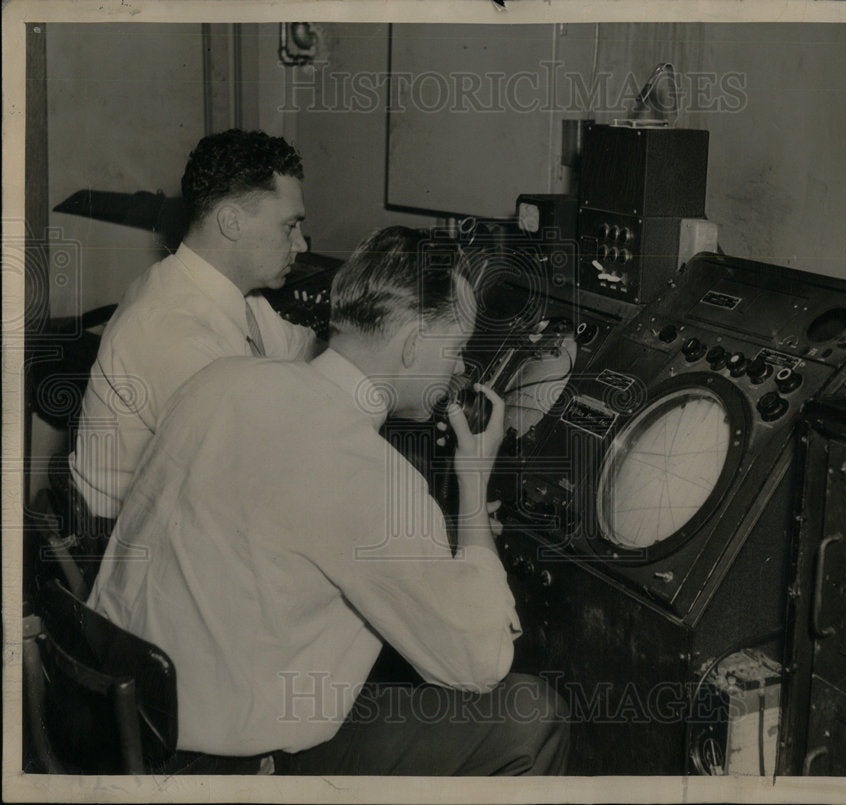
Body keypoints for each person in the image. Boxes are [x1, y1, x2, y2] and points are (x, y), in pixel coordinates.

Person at [87, 226, 570, 775]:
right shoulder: (372, 476)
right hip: (214, 766)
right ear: (413, 344)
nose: (459, 370)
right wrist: (473, 486)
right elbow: (482, 660)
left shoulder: (220, 378)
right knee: (531, 715)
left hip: (119, 715)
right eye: (457, 349)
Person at [69, 129, 320, 523]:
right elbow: (253, 476)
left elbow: (302, 352)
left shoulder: (233, 293)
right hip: (135, 542)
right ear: (231, 222)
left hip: (193, 508)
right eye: (290, 226)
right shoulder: (172, 329)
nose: (302, 244)